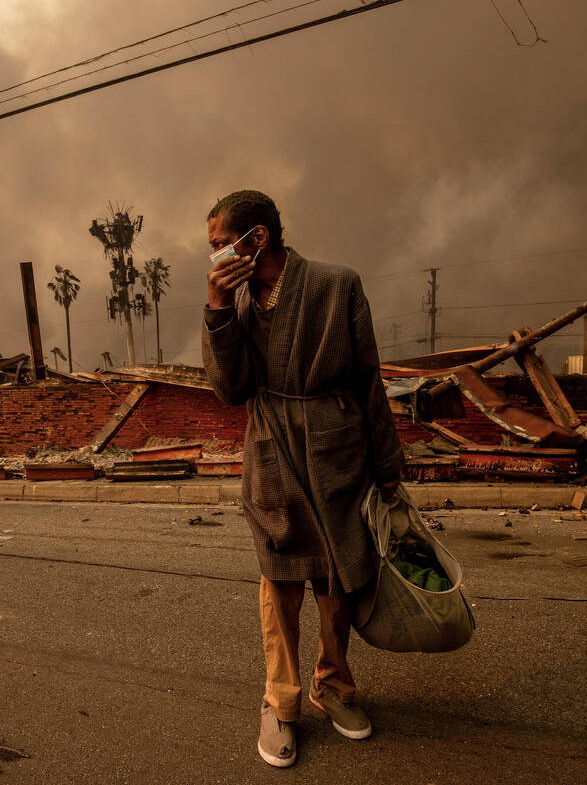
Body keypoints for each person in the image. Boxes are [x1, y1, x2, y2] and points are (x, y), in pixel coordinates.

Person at [200, 190, 403, 768]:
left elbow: (369, 380)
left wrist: (387, 468)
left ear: (256, 238)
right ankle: (280, 702)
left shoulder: (338, 285)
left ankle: (333, 686)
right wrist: (216, 308)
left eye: (220, 245)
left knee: (336, 583)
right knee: (280, 585)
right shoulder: (235, 304)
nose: (215, 257)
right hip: (271, 455)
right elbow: (229, 389)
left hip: (338, 451)